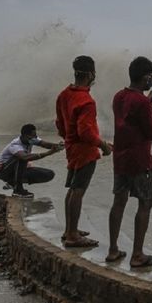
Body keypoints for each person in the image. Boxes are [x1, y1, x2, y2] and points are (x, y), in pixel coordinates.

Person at [107, 56, 152, 266]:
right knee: (144, 204)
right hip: (141, 161)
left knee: (119, 202)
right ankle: (137, 255)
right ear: (146, 77)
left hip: (120, 159)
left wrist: (148, 103)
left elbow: (131, 117)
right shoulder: (142, 102)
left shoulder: (119, 96)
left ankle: (113, 249)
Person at [56, 55, 111, 248]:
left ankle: (69, 229)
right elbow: (86, 132)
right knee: (78, 191)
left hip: (71, 148)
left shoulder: (64, 95)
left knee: (72, 190)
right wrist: (102, 145)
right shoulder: (86, 101)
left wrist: (68, 140)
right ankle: (72, 235)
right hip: (85, 152)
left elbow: (60, 125)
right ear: (90, 74)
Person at [0, 124, 63, 197]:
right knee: (22, 158)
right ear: (24, 135)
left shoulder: (32, 139)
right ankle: (18, 190)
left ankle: (12, 182)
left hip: (19, 170)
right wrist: (48, 153)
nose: (34, 138)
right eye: (32, 136)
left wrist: (58, 146)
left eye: (35, 135)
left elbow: (44, 144)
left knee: (49, 174)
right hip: (5, 172)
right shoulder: (15, 145)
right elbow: (25, 157)